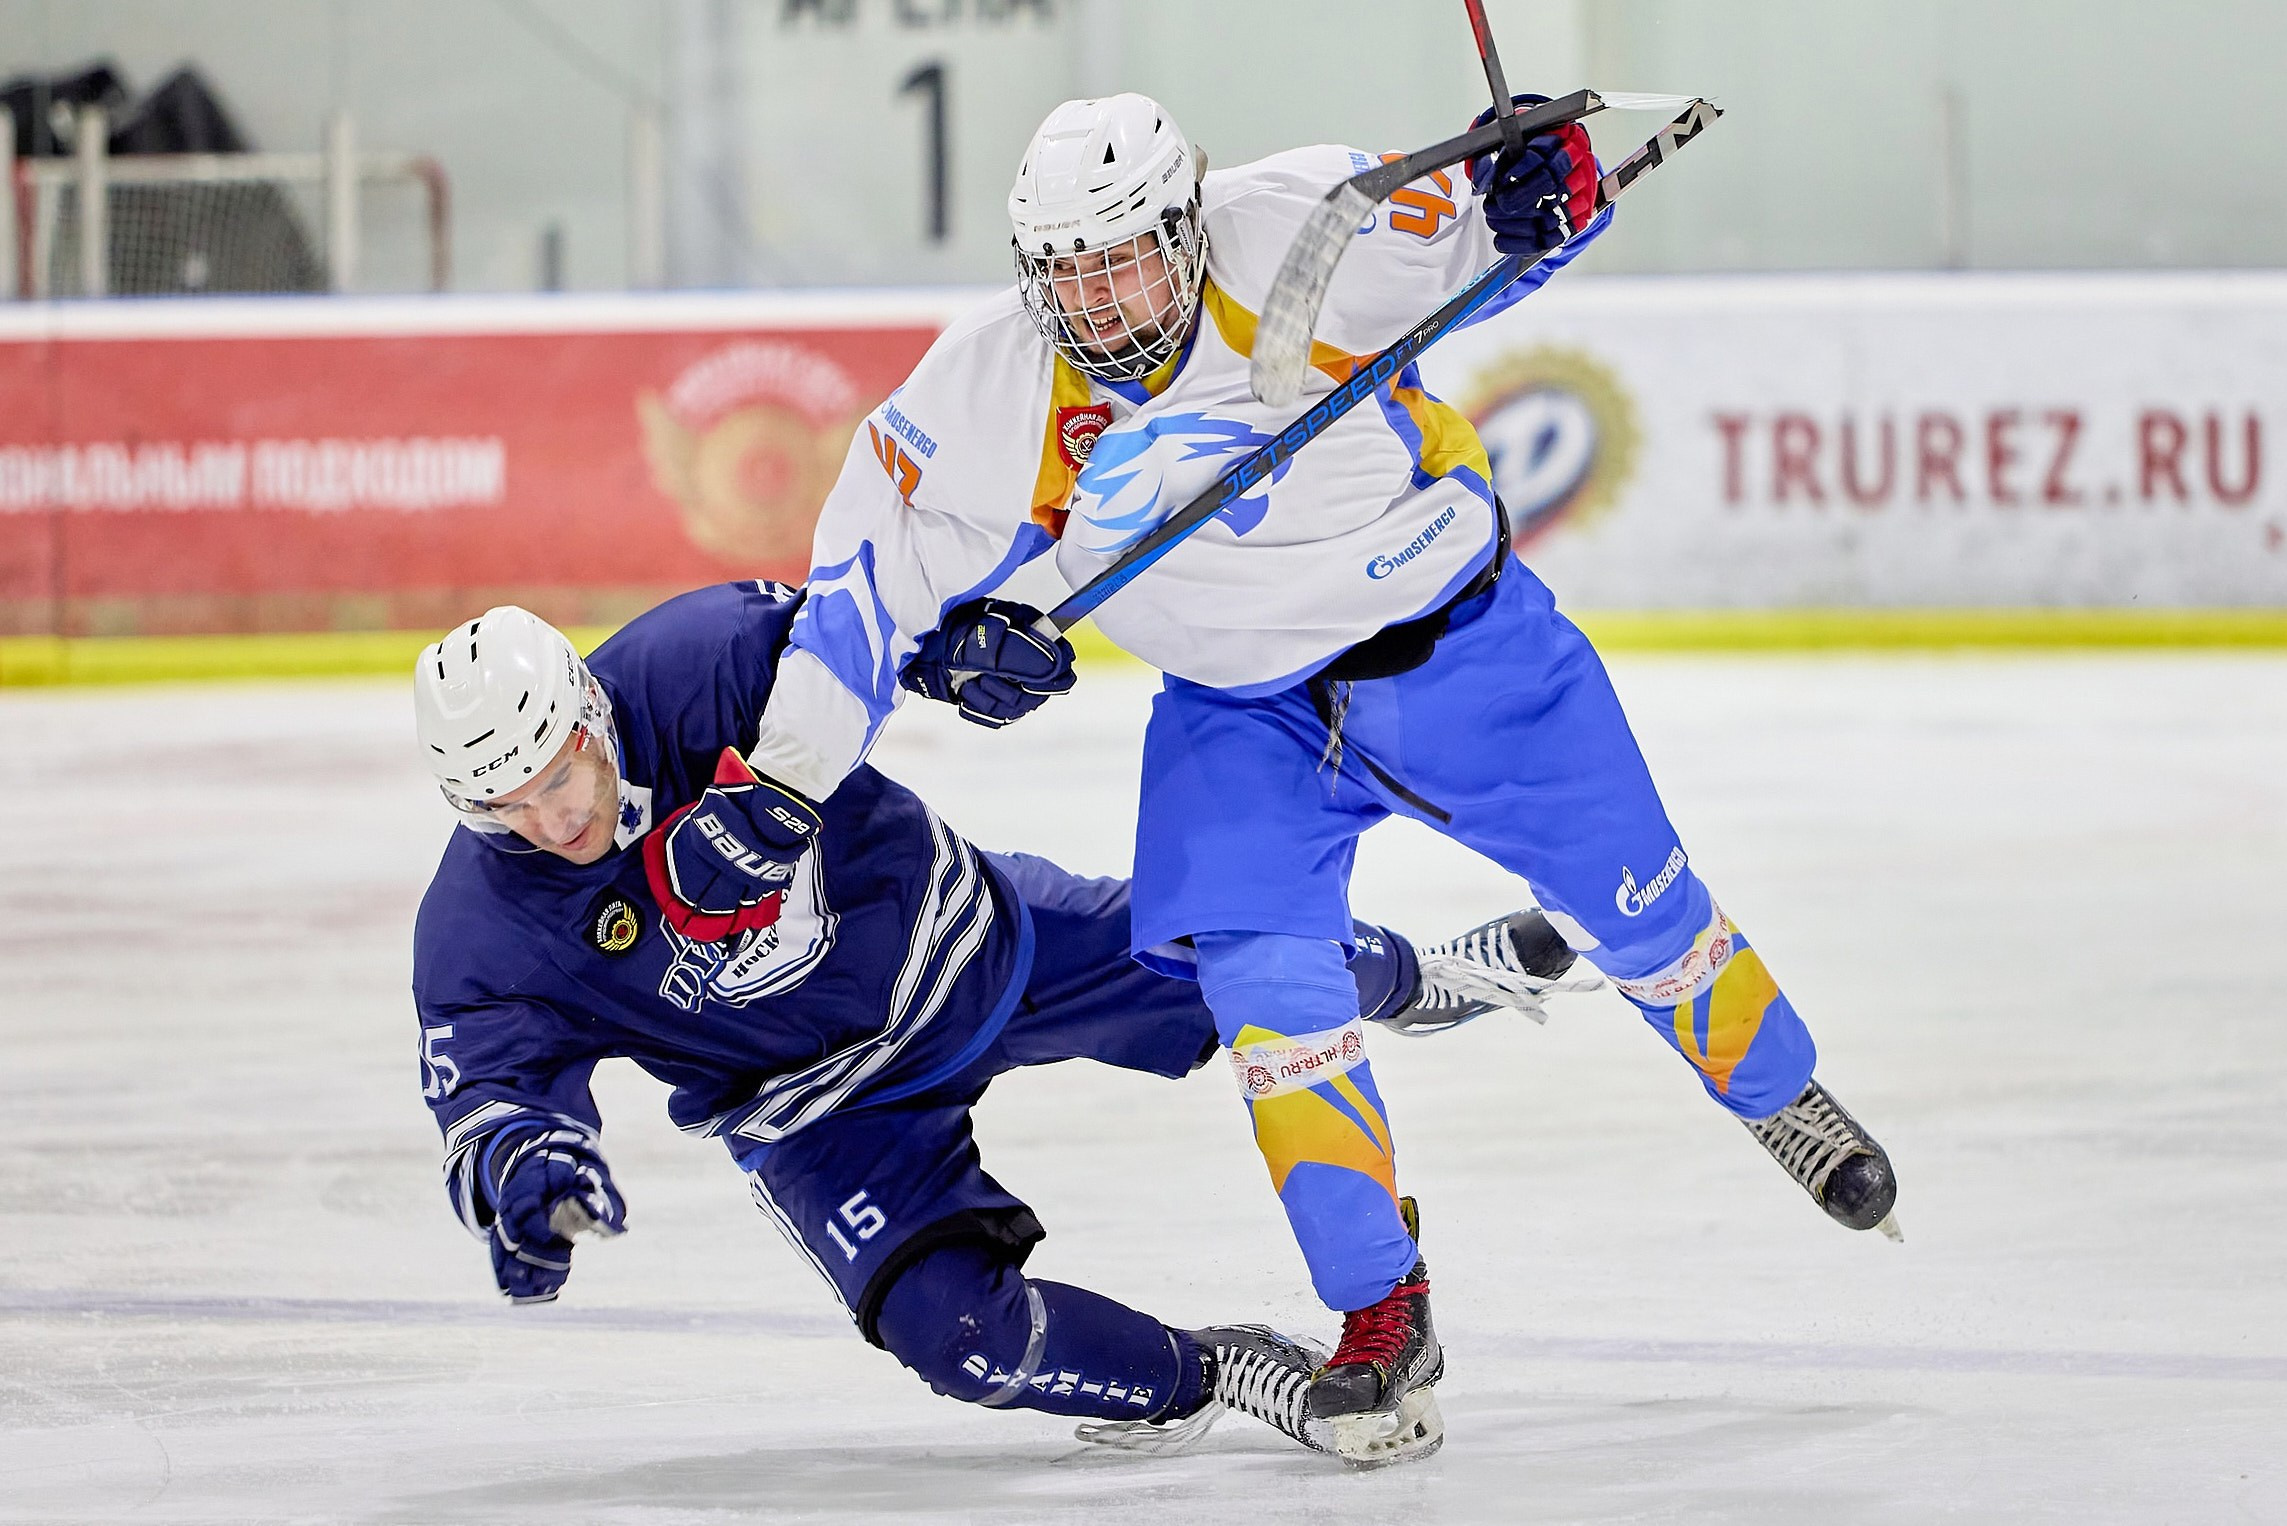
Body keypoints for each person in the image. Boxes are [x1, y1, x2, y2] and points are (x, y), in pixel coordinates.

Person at [646, 93, 1902, 1467]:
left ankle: (1778, 1090)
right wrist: (831, 745)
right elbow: (862, 598)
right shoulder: (985, 390)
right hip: (1238, 714)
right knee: (1264, 987)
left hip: (1467, 655)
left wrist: (1552, 186)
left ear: (1187, 226)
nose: (1098, 304)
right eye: (1067, 274)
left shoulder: (1313, 225)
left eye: (1124, 262)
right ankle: (1379, 1305)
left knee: (1642, 915)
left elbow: (1521, 214)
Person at [409, 579, 1583, 1462]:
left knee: (1245, 954)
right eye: (503, 806)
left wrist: (946, 651)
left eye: (557, 775)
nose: (549, 820)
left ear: (589, 709)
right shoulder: (478, 929)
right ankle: (1217, 1371)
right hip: (828, 1114)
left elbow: (859, 632)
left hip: (975, 943)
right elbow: (489, 1099)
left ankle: (1415, 977)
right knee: (963, 1340)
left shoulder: (702, 656)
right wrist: (526, 1169)